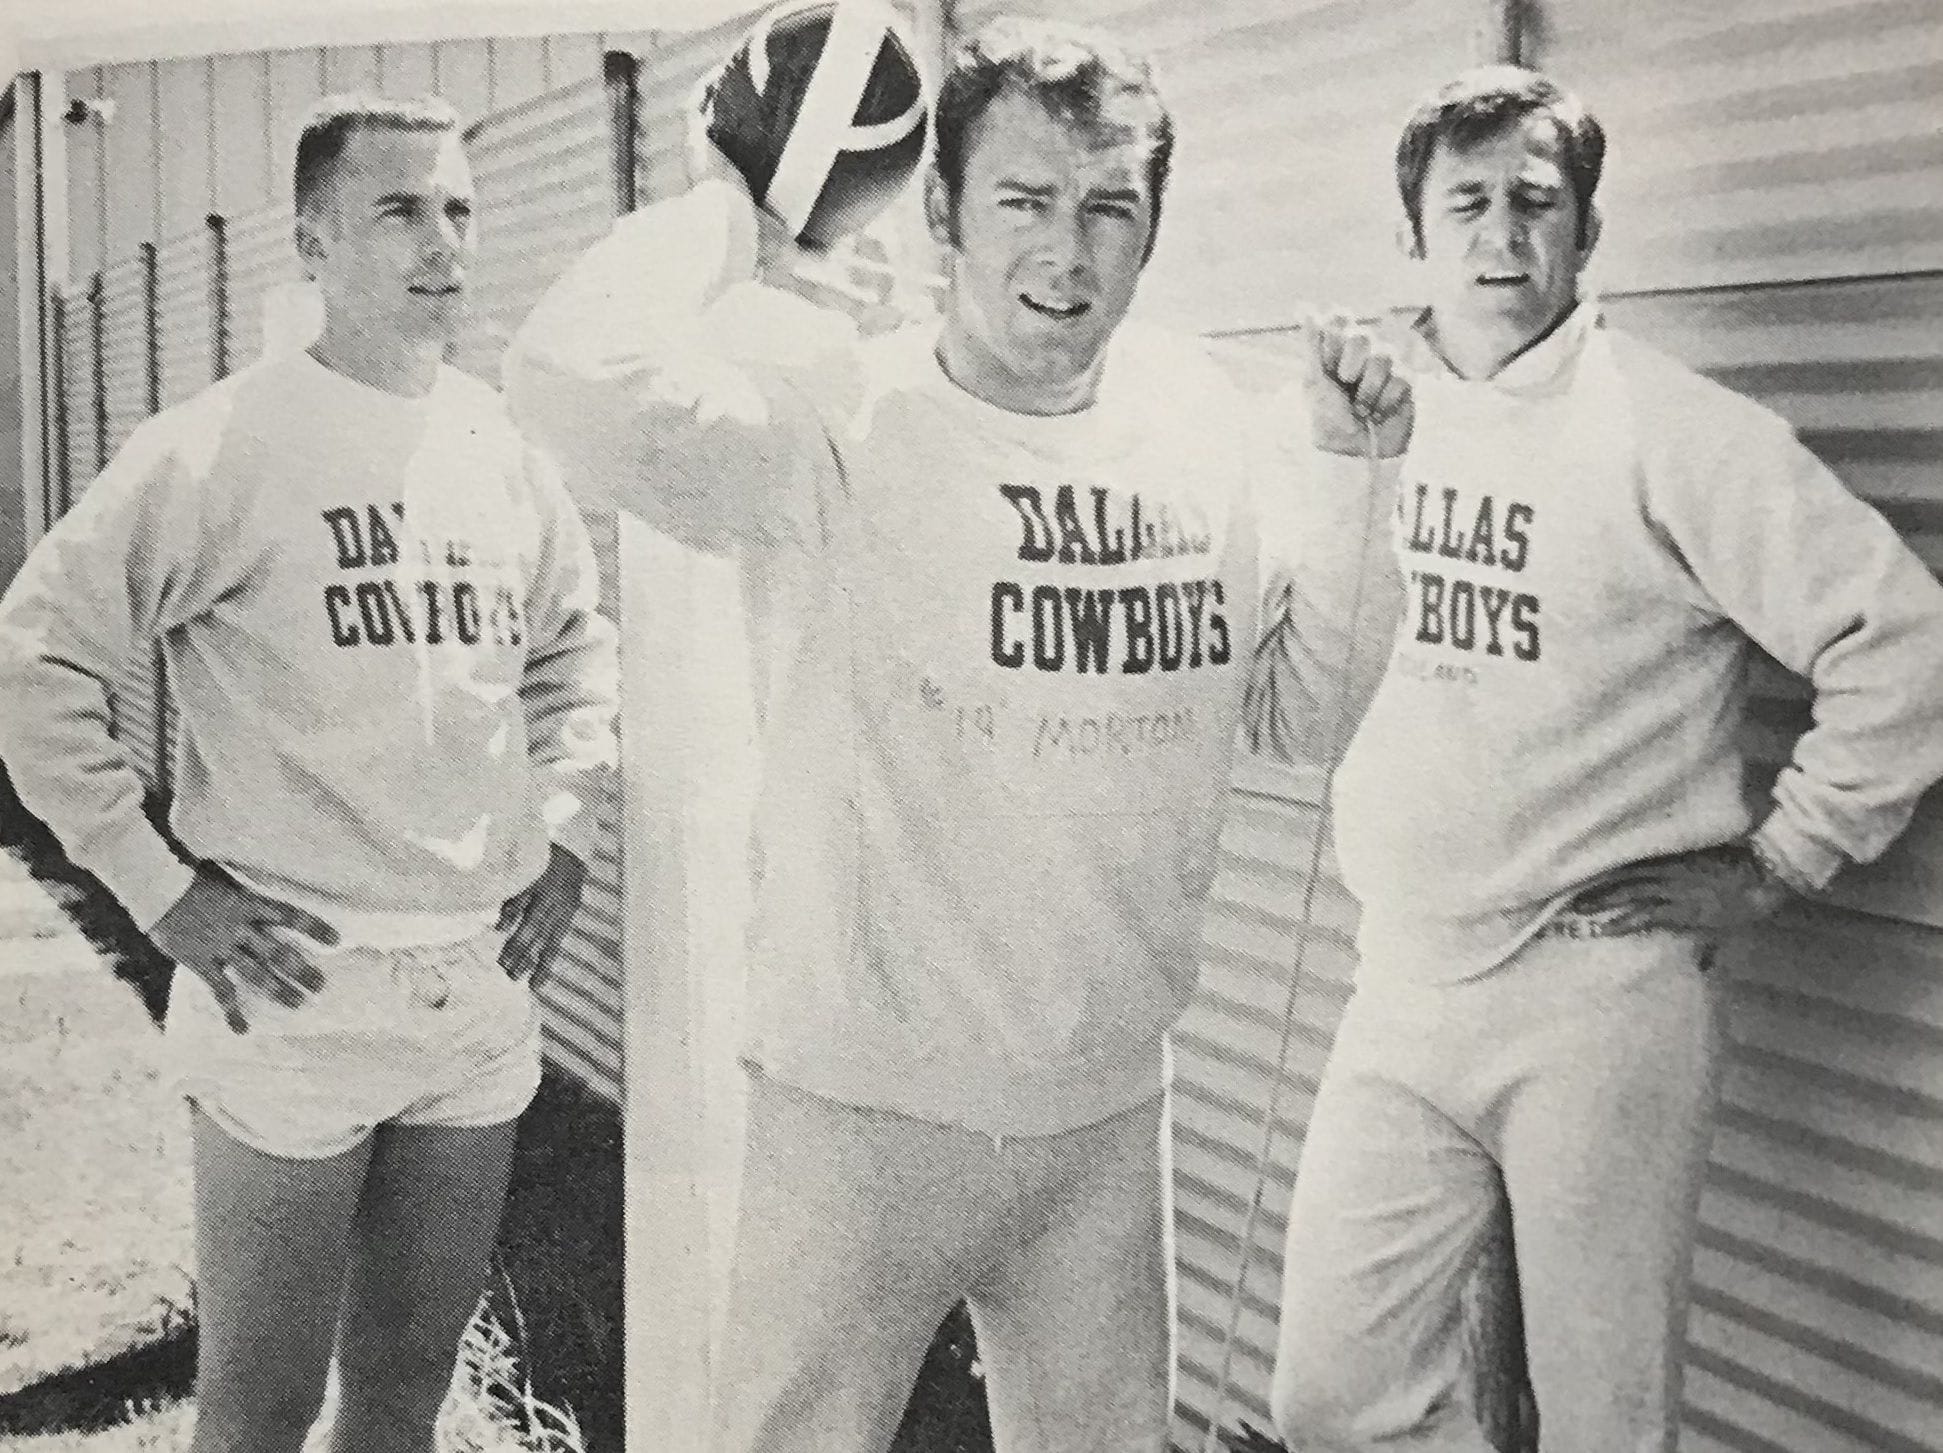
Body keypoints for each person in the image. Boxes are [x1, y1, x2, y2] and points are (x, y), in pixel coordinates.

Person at [505, 14, 1407, 1452]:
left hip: (1107, 1115)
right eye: (1025, 202)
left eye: (1112, 208)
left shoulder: (1202, 420)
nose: (1068, 254)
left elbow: (1305, 713)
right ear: (940, 213)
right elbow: (565, 376)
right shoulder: (836, 420)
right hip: (863, 1113)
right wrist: (733, 207)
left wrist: (1365, 485)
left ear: (1155, 225)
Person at [1270, 65, 1943, 1453]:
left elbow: (1904, 637)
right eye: (1468, 202)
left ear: (1587, 233)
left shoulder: (1672, 430)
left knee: (1604, 1423)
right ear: (1414, 232)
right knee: (1331, 1402)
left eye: (1538, 202)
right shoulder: (1361, 418)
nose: (1503, 238)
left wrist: (1785, 855)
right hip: (1400, 978)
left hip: (1598, 997)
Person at [0, 95, 618, 1453]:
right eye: (399, 209)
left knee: (404, 1386)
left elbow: (576, 654)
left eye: (460, 208)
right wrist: (158, 891)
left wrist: (566, 821)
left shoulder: (503, 448)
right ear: (312, 241)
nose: (443, 242)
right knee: (259, 1406)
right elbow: (34, 659)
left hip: (472, 992)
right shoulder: (222, 447)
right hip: (292, 990)